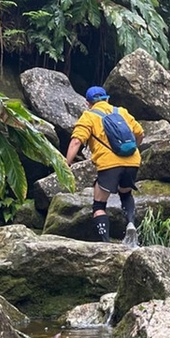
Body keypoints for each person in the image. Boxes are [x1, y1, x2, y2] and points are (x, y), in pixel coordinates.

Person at [65, 86, 144, 246]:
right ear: (107, 99)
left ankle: (106, 243)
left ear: (88, 103)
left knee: (99, 204)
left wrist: (66, 164)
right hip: (133, 160)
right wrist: (132, 149)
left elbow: (76, 141)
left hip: (109, 164)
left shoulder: (88, 116)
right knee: (126, 194)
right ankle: (130, 223)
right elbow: (140, 133)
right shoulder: (121, 111)